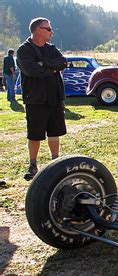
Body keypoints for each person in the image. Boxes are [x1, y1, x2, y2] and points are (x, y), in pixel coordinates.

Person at [16, 17, 67, 180]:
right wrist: (51, 69)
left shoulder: (51, 49)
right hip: (35, 99)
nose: (51, 32)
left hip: (54, 97)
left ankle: (55, 161)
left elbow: (62, 63)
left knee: (55, 131)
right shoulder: (24, 50)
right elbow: (31, 71)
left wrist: (43, 63)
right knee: (35, 133)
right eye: (49, 29)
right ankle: (33, 164)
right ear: (38, 30)